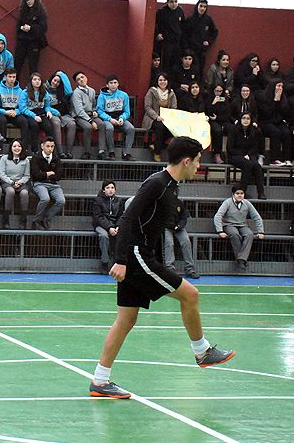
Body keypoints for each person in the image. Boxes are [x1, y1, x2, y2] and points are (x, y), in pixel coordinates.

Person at [89, 137, 236, 399]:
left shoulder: (172, 186)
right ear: (187, 161)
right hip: (137, 256)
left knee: (126, 319)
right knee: (190, 294)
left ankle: (100, 381)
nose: (199, 167)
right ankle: (202, 351)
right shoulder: (157, 183)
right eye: (198, 162)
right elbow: (128, 217)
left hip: (141, 255)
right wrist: (120, 260)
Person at [213, 185, 265, 273]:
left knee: (249, 234)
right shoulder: (227, 202)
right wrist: (220, 230)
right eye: (237, 193)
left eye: (242, 193)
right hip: (229, 225)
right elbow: (218, 216)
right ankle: (242, 260)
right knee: (234, 234)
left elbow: (257, 217)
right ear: (233, 194)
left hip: (242, 225)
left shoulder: (247, 203)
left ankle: (240, 259)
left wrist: (261, 231)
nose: (240, 195)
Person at [226, 112, 266, 200]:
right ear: (240, 119)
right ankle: (242, 192)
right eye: (244, 118)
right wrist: (243, 155)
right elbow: (229, 148)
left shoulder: (253, 131)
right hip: (234, 155)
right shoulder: (233, 129)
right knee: (248, 164)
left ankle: (261, 192)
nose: (246, 120)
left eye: (248, 118)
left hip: (248, 155)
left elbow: (254, 147)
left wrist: (248, 154)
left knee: (256, 165)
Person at [96, 74, 135, 160]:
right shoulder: (102, 96)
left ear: (118, 84)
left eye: (115, 82)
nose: (113, 85)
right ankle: (111, 152)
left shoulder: (124, 95)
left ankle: (126, 153)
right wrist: (110, 119)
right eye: (111, 83)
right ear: (107, 85)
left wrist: (122, 118)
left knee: (131, 128)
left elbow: (127, 111)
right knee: (109, 128)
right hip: (107, 118)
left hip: (120, 117)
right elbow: (100, 111)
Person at [30, 137, 65, 230]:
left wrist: (44, 174)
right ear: (42, 146)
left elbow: (59, 176)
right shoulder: (36, 158)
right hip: (39, 184)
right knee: (45, 199)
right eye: (48, 146)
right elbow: (35, 175)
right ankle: (36, 220)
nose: (50, 149)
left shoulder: (56, 159)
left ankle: (46, 218)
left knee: (61, 201)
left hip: (54, 185)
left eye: (52, 146)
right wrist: (48, 173)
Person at [143, 73, 177, 162]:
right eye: (160, 80)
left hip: (167, 119)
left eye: (164, 80)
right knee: (160, 127)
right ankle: (157, 153)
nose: (162, 82)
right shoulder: (151, 91)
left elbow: (174, 108)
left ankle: (155, 145)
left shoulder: (171, 93)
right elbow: (147, 107)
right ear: (157, 81)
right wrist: (156, 117)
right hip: (152, 118)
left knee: (174, 129)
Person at [0, 139, 31, 229]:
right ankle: (6, 219)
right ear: (11, 148)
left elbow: (27, 176)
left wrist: (19, 182)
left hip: (21, 183)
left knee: (24, 193)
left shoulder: (26, 160)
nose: (17, 148)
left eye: (19, 146)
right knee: (10, 192)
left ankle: (23, 220)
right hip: (7, 182)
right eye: (14, 146)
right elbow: (2, 174)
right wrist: (11, 182)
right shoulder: (4, 158)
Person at [14, 0, 48, 81]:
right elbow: (17, 27)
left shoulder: (40, 12)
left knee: (33, 67)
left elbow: (43, 28)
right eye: (27, 0)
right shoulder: (23, 12)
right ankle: (14, 86)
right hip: (22, 41)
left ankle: (32, 88)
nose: (29, 1)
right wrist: (22, 28)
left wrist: (31, 28)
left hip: (34, 43)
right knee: (17, 64)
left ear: (35, 0)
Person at [0, 68, 31, 151]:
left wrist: (16, 112)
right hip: (3, 111)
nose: (12, 79)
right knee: (1, 120)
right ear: (5, 77)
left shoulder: (20, 91)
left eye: (14, 77)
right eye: (10, 77)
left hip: (15, 112)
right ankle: (0, 148)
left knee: (24, 121)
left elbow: (22, 107)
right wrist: (5, 112)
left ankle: (24, 149)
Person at [92, 180, 123, 273]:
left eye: (112, 188)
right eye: (108, 188)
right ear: (103, 190)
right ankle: (105, 262)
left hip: (115, 225)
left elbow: (121, 216)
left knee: (123, 235)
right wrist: (109, 228)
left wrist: (117, 226)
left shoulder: (119, 200)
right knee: (104, 236)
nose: (110, 190)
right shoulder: (97, 200)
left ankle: (118, 261)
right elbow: (98, 217)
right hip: (101, 225)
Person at [71, 71, 104, 159]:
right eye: (78, 79)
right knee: (88, 127)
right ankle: (87, 152)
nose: (81, 80)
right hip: (80, 116)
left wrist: (94, 111)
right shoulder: (76, 93)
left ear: (86, 77)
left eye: (82, 77)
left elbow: (93, 105)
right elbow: (79, 111)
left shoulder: (92, 91)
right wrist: (91, 121)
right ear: (77, 82)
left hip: (90, 114)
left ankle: (101, 151)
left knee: (102, 124)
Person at [258, 80, 292, 165]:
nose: (280, 88)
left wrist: (279, 101)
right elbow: (266, 113)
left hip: (278, 121)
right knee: (275, 132)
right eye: (278, 86)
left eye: (281, 86)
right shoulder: (263, 96)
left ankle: (287, 159)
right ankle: (274, 159)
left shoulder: (283, 97)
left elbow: (286, 112)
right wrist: (275, 100)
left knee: (286, 132)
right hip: (265, 121)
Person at [163, 198, 198, 279]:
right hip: (166, 227)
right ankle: (170, 269)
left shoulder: (179, 203)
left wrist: (179, 226)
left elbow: (184, 217)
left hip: (179, 228)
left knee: (186, 241)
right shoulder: (162, 202)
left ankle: (190, 269)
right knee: (169, 243)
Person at [18, 72, 54, 152]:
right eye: (35, 79)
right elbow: (22, 108)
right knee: (34, 126)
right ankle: (35, 150)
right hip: (29, 114)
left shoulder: (44, 92)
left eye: (39, 79)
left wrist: (48, 111)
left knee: (49, 127)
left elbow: (47, 105)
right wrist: (34, 116)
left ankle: (50, 149)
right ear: (31, 81)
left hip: (41, 113)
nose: (37, 81)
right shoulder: (25, 92)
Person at [182, 0, 218, 74]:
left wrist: (209, 41)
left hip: (202, 50)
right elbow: (184, 34)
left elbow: (214, 32)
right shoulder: (190, 19)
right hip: (191, 50)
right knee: (190, 70)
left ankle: (198, 85)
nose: (202, 8)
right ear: (197, 6)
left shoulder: (208, 19)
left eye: (205, 7)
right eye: (201, 6)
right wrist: (186, 48)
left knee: (199, 69)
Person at [45, 71, 76, 159]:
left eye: (58, 82)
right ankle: (60, 152)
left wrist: (62, 74)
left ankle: (69, 152)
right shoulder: (44, 88)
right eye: (55, 80)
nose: (55, 83)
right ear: (51, 79)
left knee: (72, 124)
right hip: (50, 113)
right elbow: (43, 105)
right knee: (56, 122)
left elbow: (70, 91)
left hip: (62, 114)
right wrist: (54, 111)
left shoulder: (62, 91)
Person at [154, 0, 184, 74]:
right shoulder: (161, 12)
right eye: (171, 2)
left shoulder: (180, 11)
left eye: (176, 1)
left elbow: (182, 25)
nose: (174, 4)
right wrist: (157, 34)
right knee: (165, 63)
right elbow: (154, 24)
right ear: (167, 2)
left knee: (175, 63)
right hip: (166, 41)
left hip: (176, 41)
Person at [207, 84, 232, 163]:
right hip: (213, 121)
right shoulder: (209, 98)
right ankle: (217, 154)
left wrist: (218, 118)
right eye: (217, 91)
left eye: (220, 91)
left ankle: (230, 153)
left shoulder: (226, 99)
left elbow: (227, 114)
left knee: (233, 129)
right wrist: (213, 103)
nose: (218, 93)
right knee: (218, 131)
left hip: (222, 120)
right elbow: (208, 112)